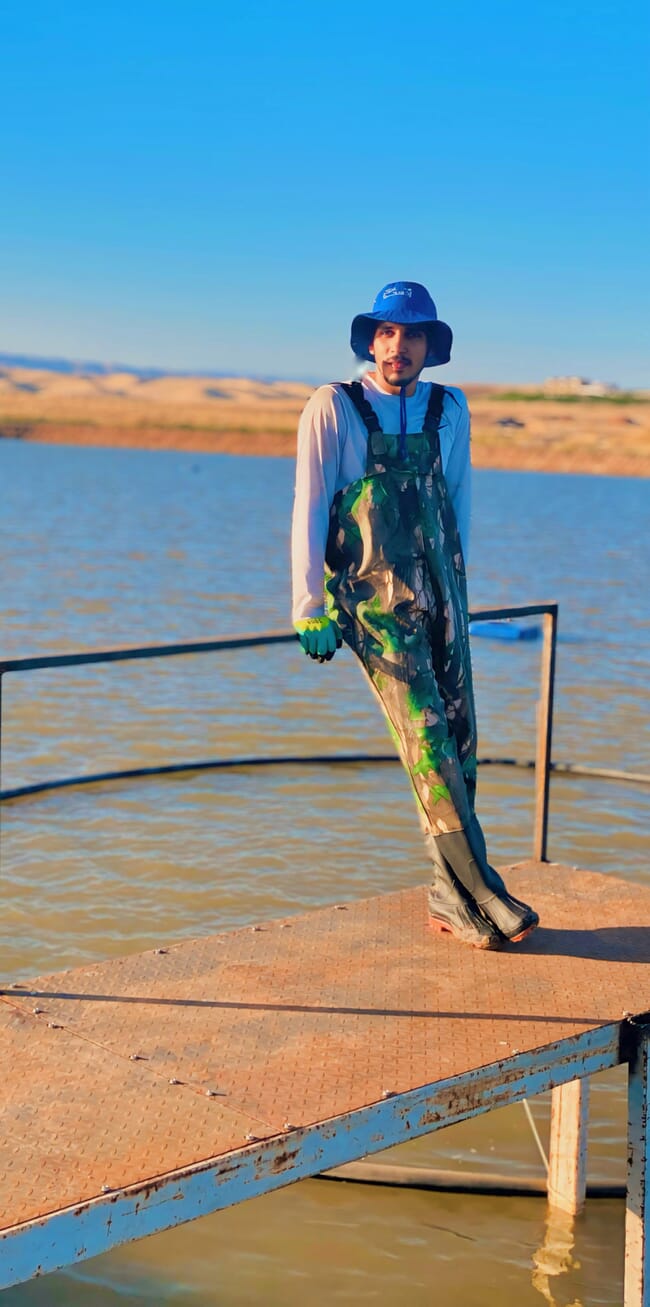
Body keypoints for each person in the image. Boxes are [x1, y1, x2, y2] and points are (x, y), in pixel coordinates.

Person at [290, 281, 538, 951]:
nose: (399, 346)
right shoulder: (334, 407)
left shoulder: (449, 408)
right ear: (371, 340)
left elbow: (457, 503)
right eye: (388, 333)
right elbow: (311, 507)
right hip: (374, 606)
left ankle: (449, 896)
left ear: (431, 345)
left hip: (443, 597)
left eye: (414, 334)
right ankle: (482, 884)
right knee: (426, 741)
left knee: (460, 741)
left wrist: (460, 597)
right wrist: (308, 603)